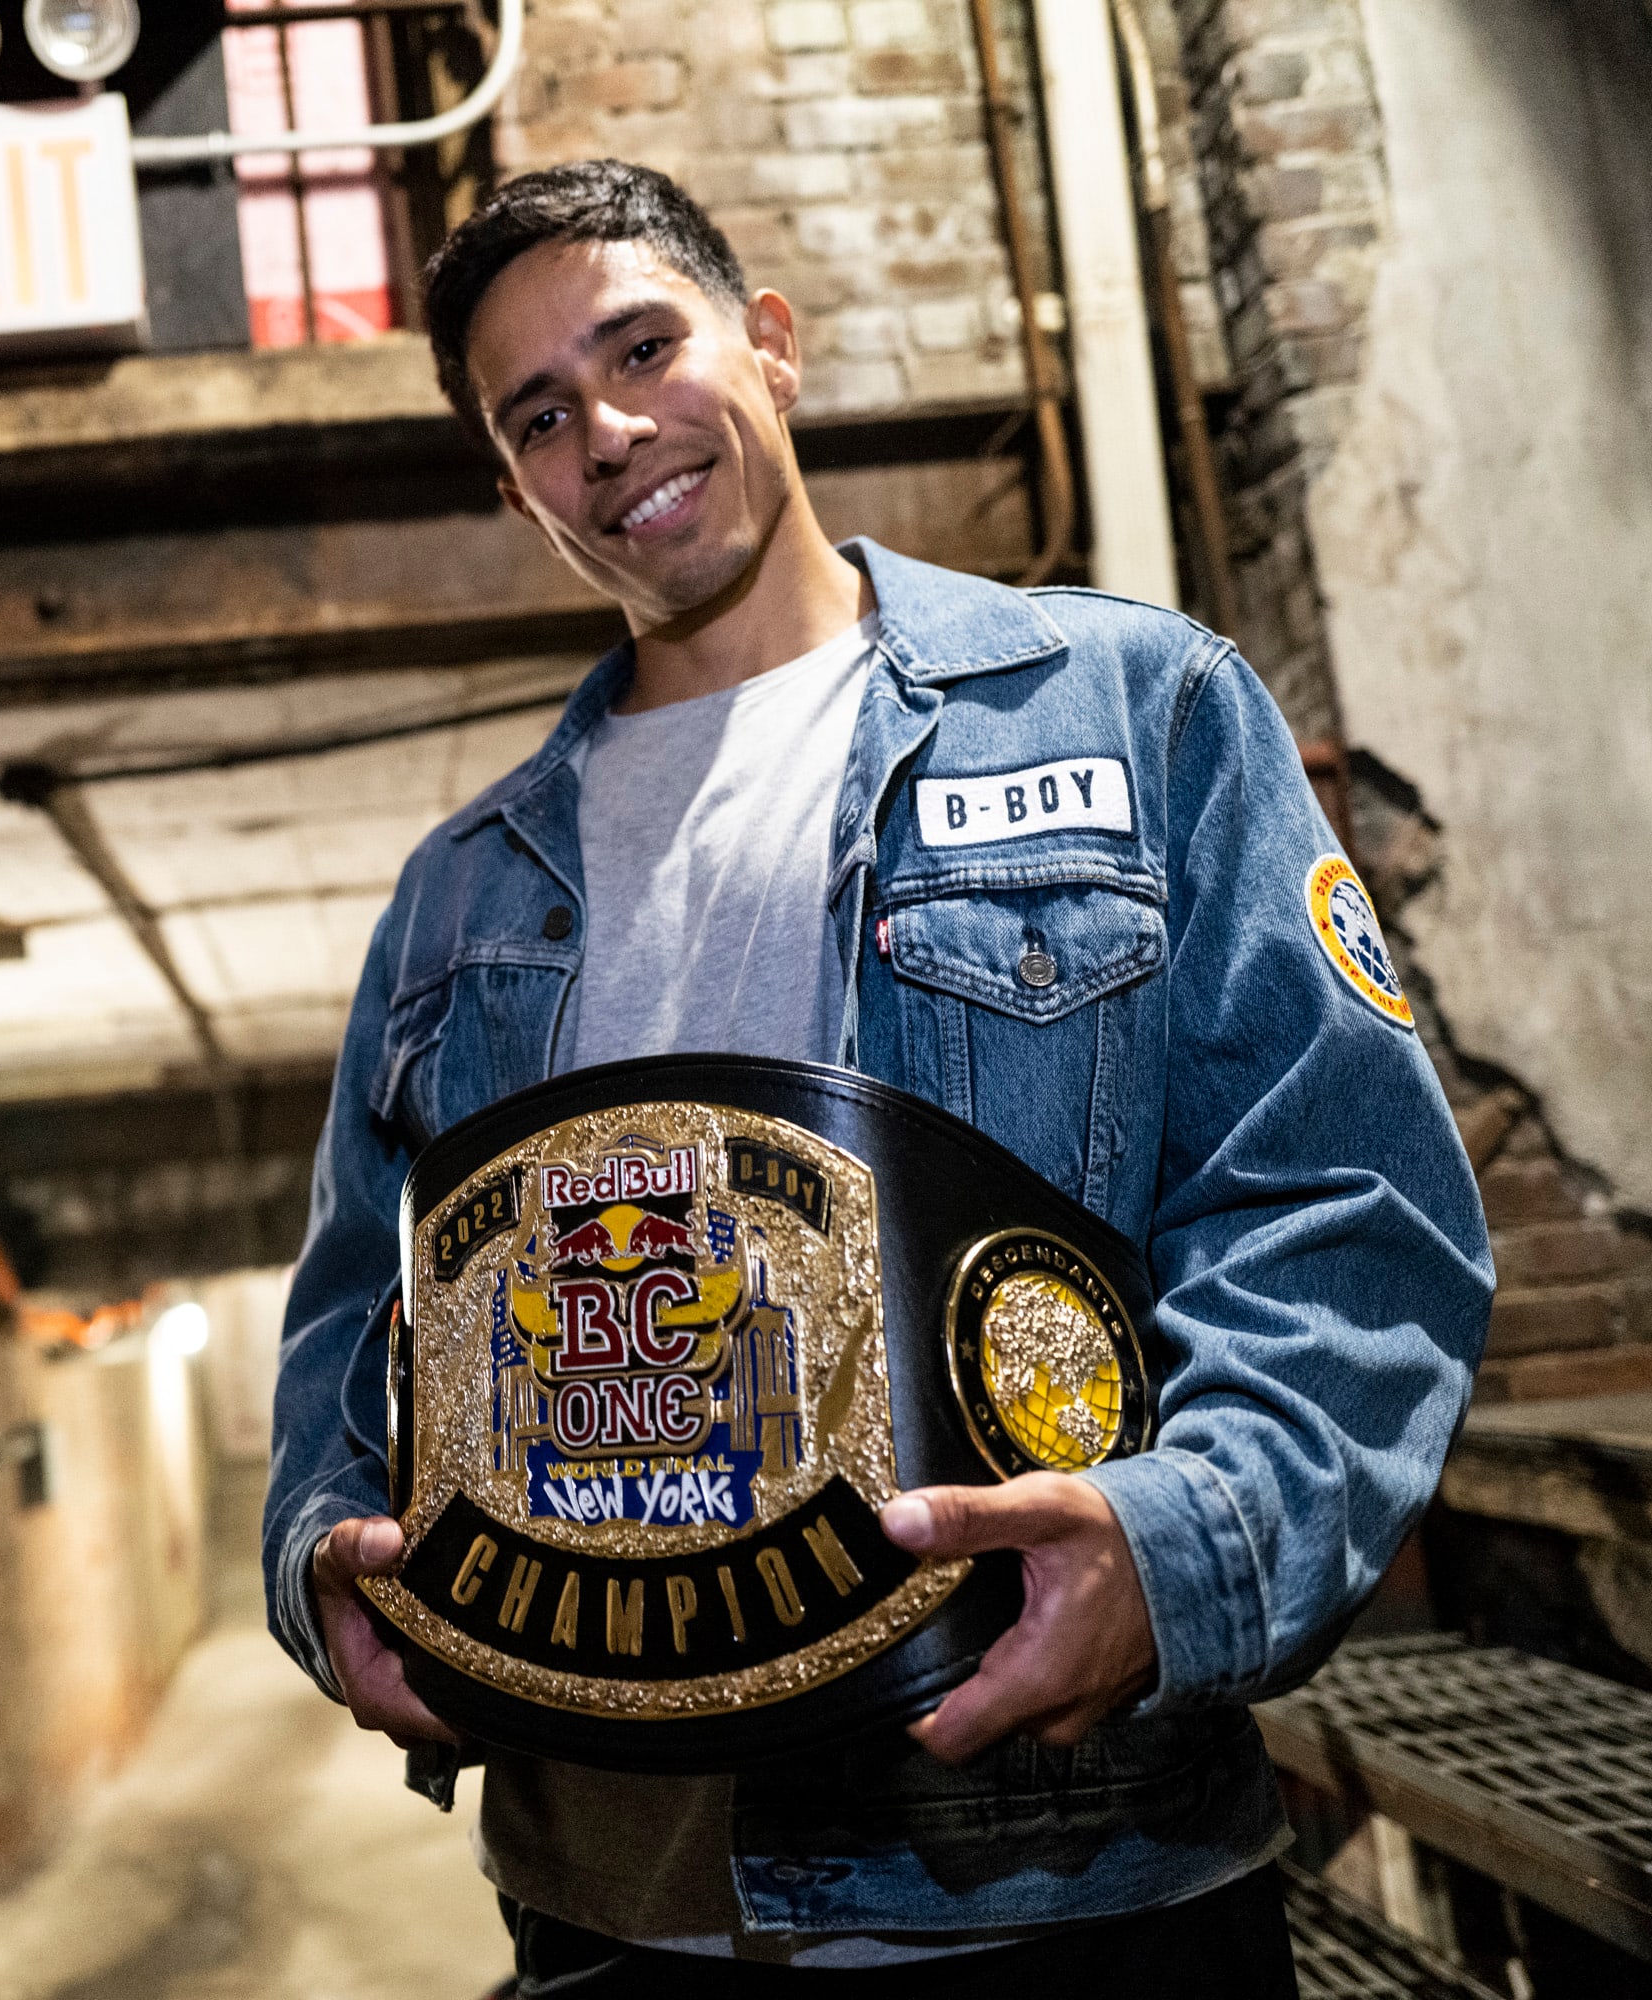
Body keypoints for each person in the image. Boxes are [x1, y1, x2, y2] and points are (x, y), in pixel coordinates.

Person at [260, 161, 1494, 1995]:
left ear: (769, 346)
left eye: (642, 349)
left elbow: (1343, 1209)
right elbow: (355, 1335)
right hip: (612, 1908)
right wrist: (320, 1566)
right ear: (515, 489)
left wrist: (1179, 1550)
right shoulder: (460, 897)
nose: (608, 432)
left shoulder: (1131, 709)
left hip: (1058, 1882)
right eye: (540, 416)